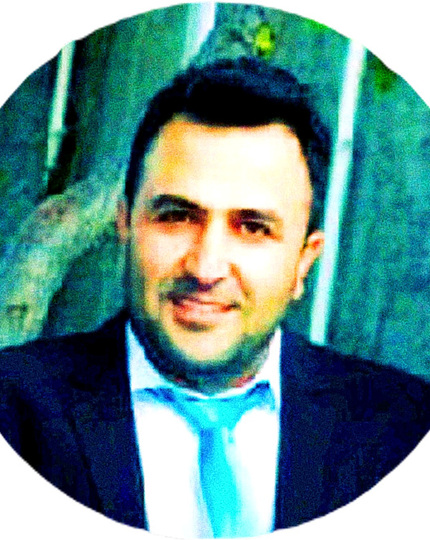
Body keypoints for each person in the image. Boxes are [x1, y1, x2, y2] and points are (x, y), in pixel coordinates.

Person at [0, 56, 429, 538]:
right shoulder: (13, 412)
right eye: (177, 216)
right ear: (125, 225)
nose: (205, 268)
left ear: (303, 261)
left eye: (253, 227)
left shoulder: (405, 432)